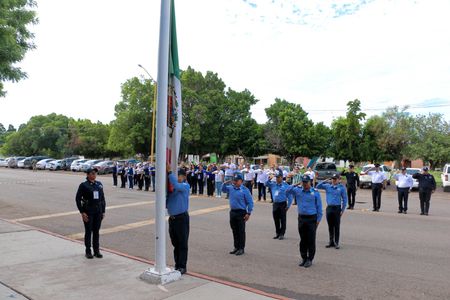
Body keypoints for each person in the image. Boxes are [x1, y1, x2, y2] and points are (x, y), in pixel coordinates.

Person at [286, 175, 322, 268]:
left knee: (311, 239)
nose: (305, 184)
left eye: (306, 182)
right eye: (303, 182)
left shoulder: (315, 193)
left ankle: (310, 259)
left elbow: (319, 209)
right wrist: (296, 184)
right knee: (303, 239)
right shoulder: (298, 190)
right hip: (302, 218)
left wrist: (318, 221)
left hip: (312, 219)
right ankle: (304, 258)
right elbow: (287, 190)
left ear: (310, 182)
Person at [75, 167, 106, 259]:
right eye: (92, 173)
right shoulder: (83, 185)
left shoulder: (99, 184)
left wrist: (103, 211)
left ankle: (96, 251)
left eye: (95, 173)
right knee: (88, 231)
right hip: (88, 211)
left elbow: (102, 199)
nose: (94, 175)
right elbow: (77, 199)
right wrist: (82, 212)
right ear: (88, 175)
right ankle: (88, 251)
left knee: (96, 231)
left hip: (98, 211)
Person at [166, 163, 190, 275]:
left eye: (180, 175)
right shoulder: (172, 189)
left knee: (182, 244)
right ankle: (177, 265)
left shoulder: (185, 186)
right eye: (177, 175)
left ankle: (182, 266)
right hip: (172, 219)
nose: (178, 177)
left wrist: (170, 172)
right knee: (175, 243)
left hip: (181, 218)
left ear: (184, 177)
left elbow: (176, 185)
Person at [222, 173, 254, 256]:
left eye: (236, 181)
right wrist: (225, 183)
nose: (235, 182)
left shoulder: (245, 190)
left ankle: (241, 248)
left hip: (241, 213)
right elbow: (223, 190)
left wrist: (248, 213)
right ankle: (236, 247)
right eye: (234, 180)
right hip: (233, 212)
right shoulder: (231, 188)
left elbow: (250, 202)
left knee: (241, 231)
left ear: (241, 181)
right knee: (234, 230)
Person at [317, 174, 347, 249]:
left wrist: (342, 210)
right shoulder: (328, 186)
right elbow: (317, 186)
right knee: (330, 226)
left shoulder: (341, 188)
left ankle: (336, 242)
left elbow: (345, 200)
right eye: (333, 179)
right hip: (329, 208)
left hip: (337, 208)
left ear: (338, 180)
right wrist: (326, 180)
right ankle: (331, 241)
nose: (333, 180)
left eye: (335, 179)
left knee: (336, 226)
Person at [266, 171, 293, 240]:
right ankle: (277, 233)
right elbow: (266, 183)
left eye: (278, 177)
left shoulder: (286, 185)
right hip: (275, 204)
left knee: (283, 219)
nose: (277, 179)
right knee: (276, 219)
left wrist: (288, 206)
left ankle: (282, 234)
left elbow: (290, 196)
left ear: (282, 177)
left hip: (283, 204)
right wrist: (269, 178)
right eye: (276, 177)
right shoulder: (273, 184)